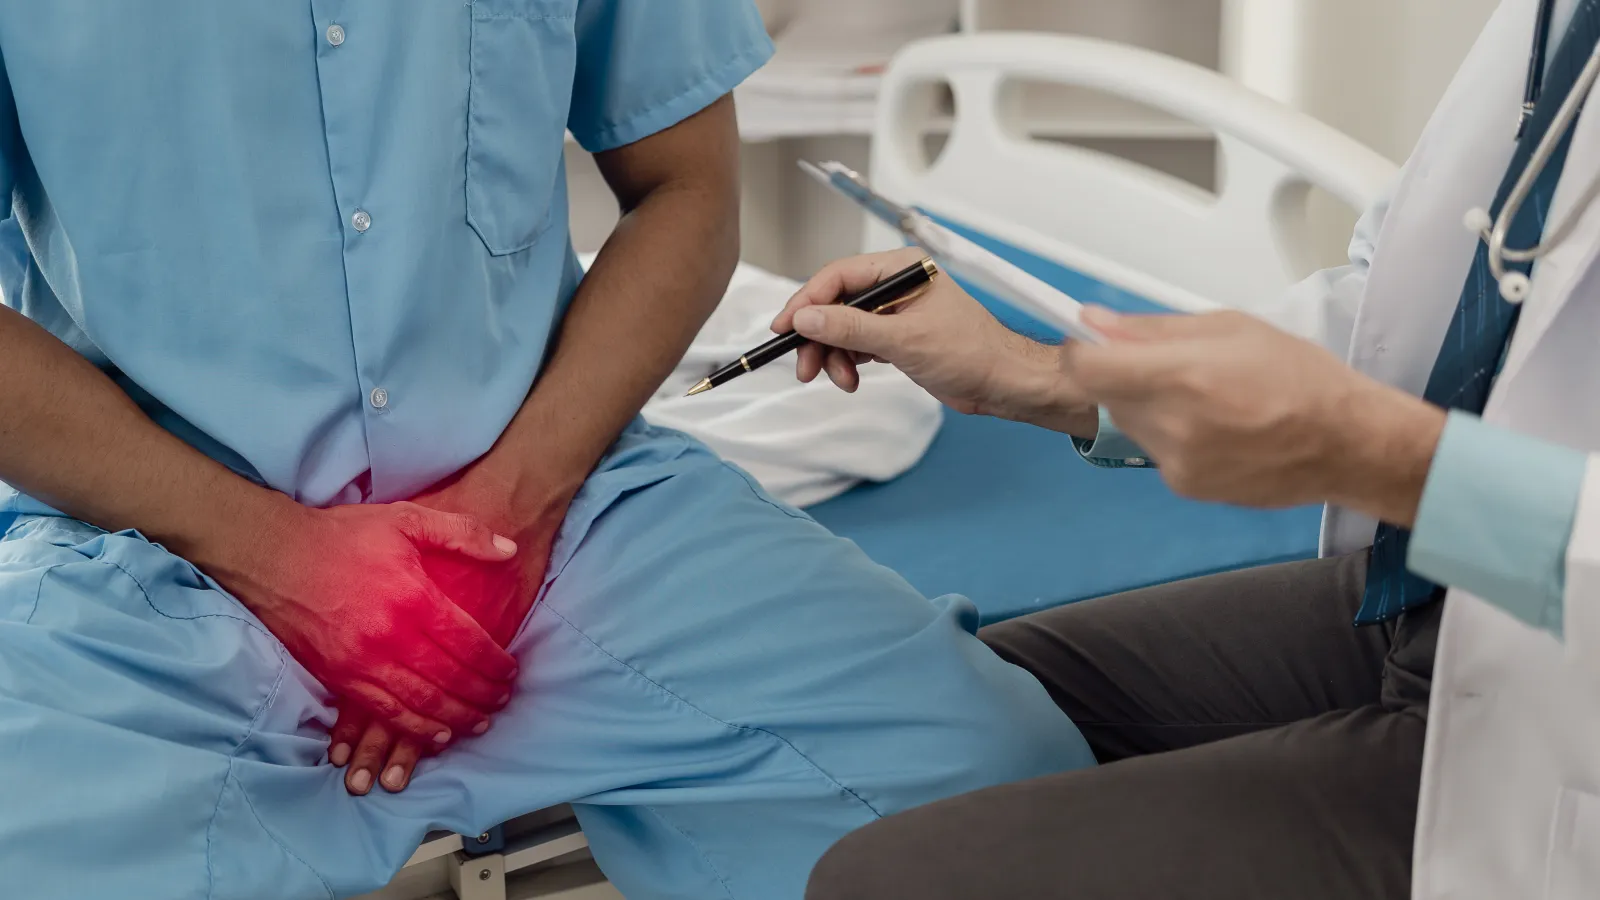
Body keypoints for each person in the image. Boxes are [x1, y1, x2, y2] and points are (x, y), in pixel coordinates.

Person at [0, 5, 1099, 899]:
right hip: (155, 553)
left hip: (556, 512)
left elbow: (688, 187)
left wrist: (516, 502)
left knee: (1007, 791)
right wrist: (279, 557)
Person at [789, 0, 1600, 896]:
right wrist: (1040, 372)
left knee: (885, 880)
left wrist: (1385, 458)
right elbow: (1426, 310)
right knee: (940, 708)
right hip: (1456, 585)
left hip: (1571, 677)